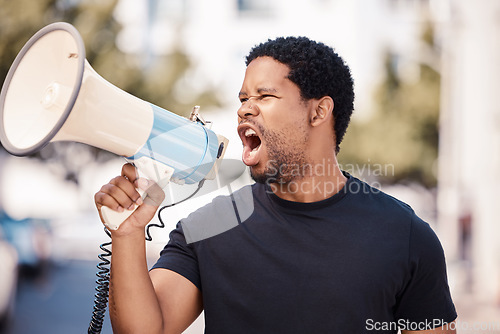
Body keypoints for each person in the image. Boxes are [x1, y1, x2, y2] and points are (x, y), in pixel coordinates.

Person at [94, 37, 457, 333]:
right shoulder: (208, 226)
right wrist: (126, 235)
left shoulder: (404, 234)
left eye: (264, 96)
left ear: (318, 111)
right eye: (242, 99)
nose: (244, 110)